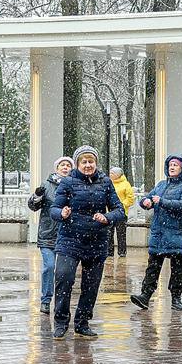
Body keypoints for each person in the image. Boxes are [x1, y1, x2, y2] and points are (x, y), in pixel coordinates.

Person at [50, 145, 125, 339]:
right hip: (70, 239)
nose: (88, 165)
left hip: (97, 241)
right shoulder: (67, 182)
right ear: (77, 164)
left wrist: (107, 217)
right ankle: (60, 321)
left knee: (91, 285)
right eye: (84, 161)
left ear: (96, 163)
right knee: (64, 278)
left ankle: (82, 322)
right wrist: (62, 213)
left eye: (91, 161)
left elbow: (119, 210)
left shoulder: (106, 183)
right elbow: (54, 209)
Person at [130, 153, 182, 311]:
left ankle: (176, 298)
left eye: (176, 165)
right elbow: (149, 198)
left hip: (179, 233)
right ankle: (145, 296)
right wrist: (145, 202)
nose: (172, 167)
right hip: (160, 233)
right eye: (170, 165)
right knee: (152, 266)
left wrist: (163, 201)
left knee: (178, 268)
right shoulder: (161, 185)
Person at [27, 156, 73, 314]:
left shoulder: (76, 185)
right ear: (57, 168)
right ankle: (46, 300)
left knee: (64, 271)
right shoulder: (46, 185)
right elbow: (33, 206)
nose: (65, 167)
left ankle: (61, 302)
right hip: (47, 234)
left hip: (67, 236)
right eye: (62, 165)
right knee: (49, 266)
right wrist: (37, 195)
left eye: (68, 165)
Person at [109, 167, 136, 257]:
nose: (110, 174)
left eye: (112, 173)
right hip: (110, 212)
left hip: (121, 213)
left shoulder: (125, 184)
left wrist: (121, 206)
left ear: (118, 175)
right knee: (109, 233)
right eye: (110, 173)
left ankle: (122, 252)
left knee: (121, 233)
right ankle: (109, 251)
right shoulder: (109, 183)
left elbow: (130, 198)